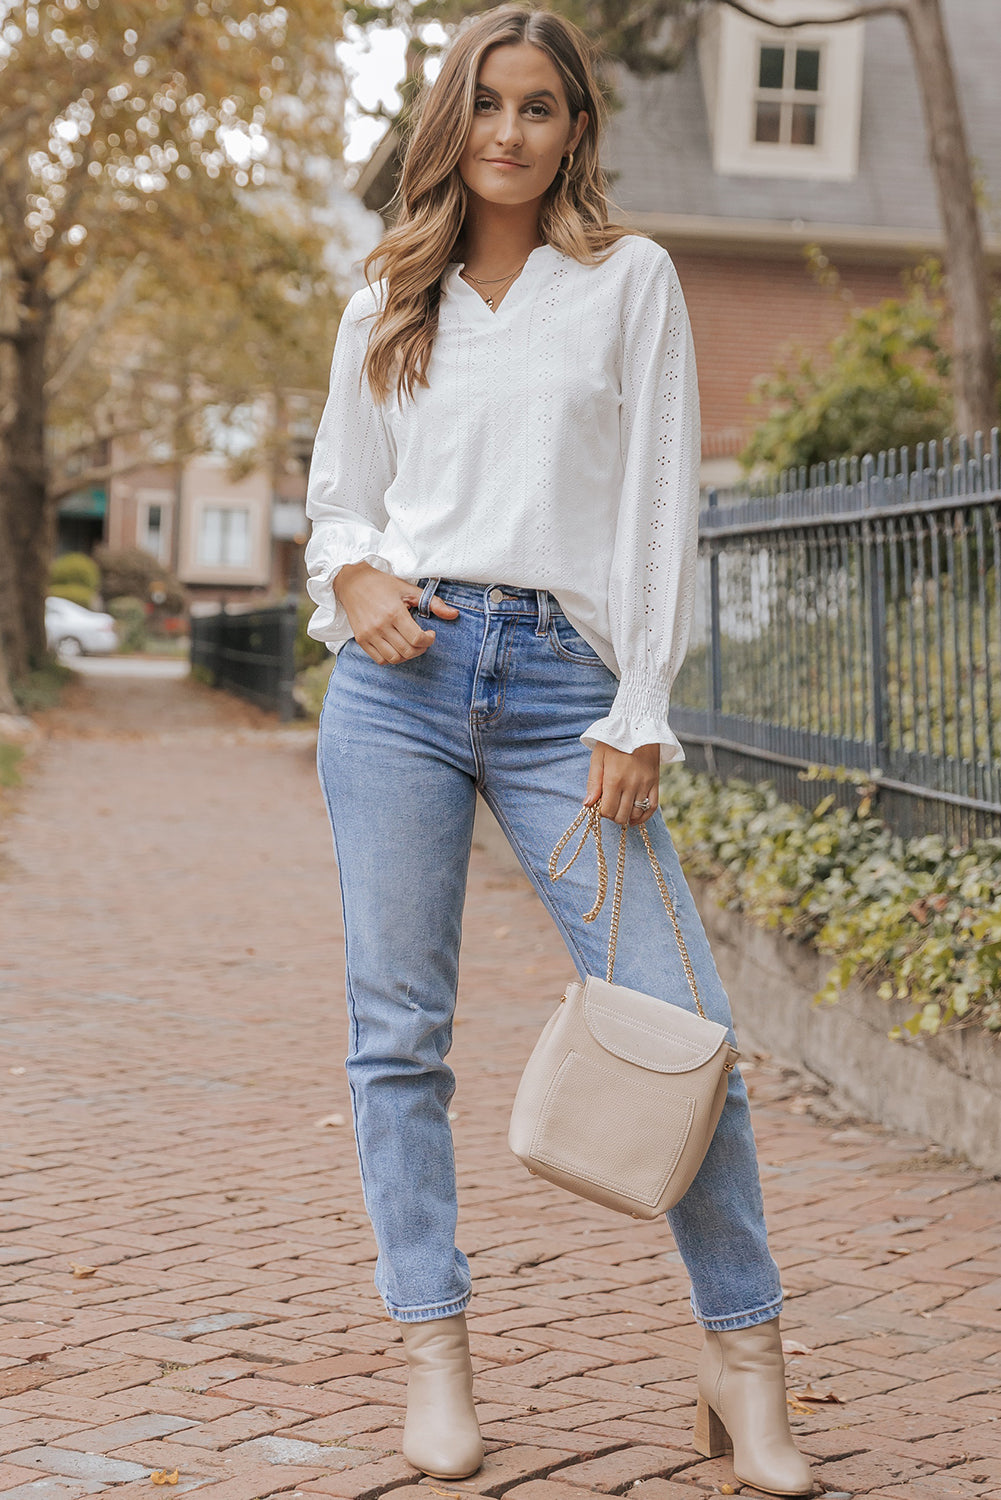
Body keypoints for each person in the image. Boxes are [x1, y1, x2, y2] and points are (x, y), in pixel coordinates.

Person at [303, 5, 812, 1495]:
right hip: (397, 687)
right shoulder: (388, 297)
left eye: (537, 106)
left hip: (561, 692)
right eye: (485, 103)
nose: (508, 132)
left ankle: (745, 1357)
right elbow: (341, 501)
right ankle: (433, 1350)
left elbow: (660, 505)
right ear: (449, 122)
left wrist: (638, 705)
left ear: (575, 128)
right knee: (398, 1038)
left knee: (682, 1026)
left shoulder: (629, 282)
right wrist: (353, 577)